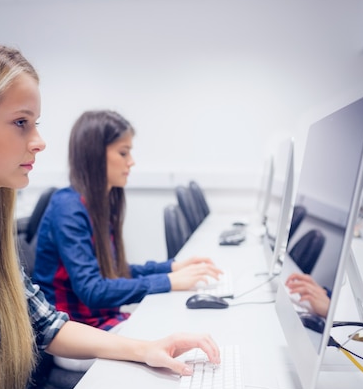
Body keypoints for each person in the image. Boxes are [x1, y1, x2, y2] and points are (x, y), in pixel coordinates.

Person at [0, 39, 229, 389]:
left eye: (36, 123)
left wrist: (146, 346)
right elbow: (91, 290)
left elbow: (44, 322)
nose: (40, 141)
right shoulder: (69, 206)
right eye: (21, 122)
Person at [32, 110, 222, 332]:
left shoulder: (100, 202)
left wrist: (172, 268)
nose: (131, 162)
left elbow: (115, 270)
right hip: (74, 332)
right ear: (95, 155)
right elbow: (93, 290)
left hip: (102, 322)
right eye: (123, 153)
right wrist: (169, 281)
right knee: (175, 334)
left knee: (178, 325)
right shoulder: (68, 207)